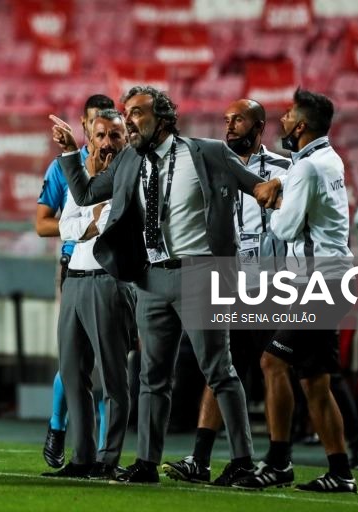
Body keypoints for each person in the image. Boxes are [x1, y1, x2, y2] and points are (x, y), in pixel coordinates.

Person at [51, 85, 263, 485]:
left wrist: (269, 191)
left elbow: (254, 184)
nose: (128, 119)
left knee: (218, 370)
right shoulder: (130, 159)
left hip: (200, 272)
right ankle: (147, 463)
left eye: (135, 113)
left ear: (162, 118)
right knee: (152, 378)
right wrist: (68, 152)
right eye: (126, 112)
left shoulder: (206, 152)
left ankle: (243, 461)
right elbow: (85, 192)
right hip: (150, 277)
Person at [233, 88, 358, 493]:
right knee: (315, 381)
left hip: (317, 283)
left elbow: (285, 229)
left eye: (287, 115)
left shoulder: (305, 169)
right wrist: (282, 187)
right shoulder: (328, 159)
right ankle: (341, 472)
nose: (282, 120)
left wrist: (273, 198)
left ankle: (279, 462)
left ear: (301, 126)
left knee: (272, 362)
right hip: (331, 280)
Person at [162, 99, 291, 483]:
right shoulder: (214, 165)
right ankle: (201, 458)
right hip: (230, 280)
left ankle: (276, 459)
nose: (230, 126)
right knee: (221, 366)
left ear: (259, 126)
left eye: (239, 120)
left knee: (277, 368)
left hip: (272, 284)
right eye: (227, 120)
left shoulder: (285, 169)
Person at [42, 109, 136, 479]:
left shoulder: (129, 177)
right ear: (90, 140)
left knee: (113, 377)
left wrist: (88, 223)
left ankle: (107, 459)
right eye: (100, 136)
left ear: (126, 141)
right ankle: (81, 458)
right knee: (72, 372)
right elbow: (67, 226)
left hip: (110, 282)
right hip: (75, 280)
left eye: (115, 136)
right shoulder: (83, 178)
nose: (108, 143)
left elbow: (106, 224)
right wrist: (88, 224)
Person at [36, 94, 115, 469]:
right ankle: (58, 426)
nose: (102, 135)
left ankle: (100, 453)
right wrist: (82, 228)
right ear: (84, 125)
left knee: (104, 365)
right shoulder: (64, 167)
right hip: (72, 266)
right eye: (94, 124)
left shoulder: (125, 166)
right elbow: (42, 224)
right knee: (73, 359)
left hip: (110, 272)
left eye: (109, 128)